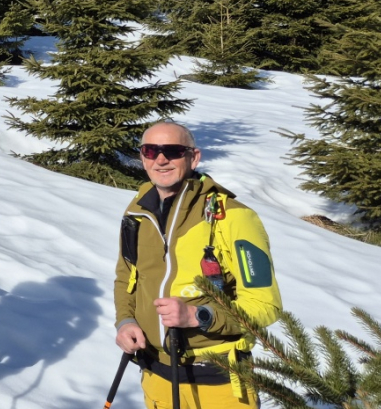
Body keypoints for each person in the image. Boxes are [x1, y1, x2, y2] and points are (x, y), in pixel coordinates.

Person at [115, 122, 282, 408]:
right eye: (151, 150)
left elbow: (266, 306)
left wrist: (199, 316)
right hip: (155, 375)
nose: (161, 159)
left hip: (218, 381)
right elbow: (127, 277)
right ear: (142, 157)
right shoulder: (138, 212)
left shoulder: (235, 217)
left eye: (173, 151)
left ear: (194, 157)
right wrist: (126, 321)